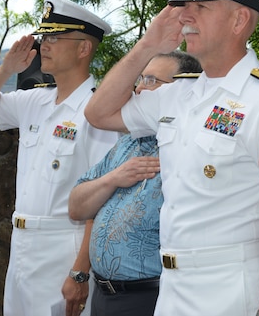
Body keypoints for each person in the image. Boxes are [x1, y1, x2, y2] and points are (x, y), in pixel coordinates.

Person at [84, 0, 259, 316]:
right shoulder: (178, 93)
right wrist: (148, 45)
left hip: (228, 286)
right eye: (184, 6)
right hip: (172, 286)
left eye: (200, 6)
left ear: (239, 19)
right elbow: (98, 113)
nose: (185, 15)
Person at [0, 0, 120, 316]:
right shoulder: (35, 101)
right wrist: (7, 69)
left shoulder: (96, 111)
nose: (44, 45)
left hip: (63, 247)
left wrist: (80, 271)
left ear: (83, 49)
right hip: (22, 244)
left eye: (55, 37)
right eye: (44, 37)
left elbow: (104, 196)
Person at [68, 50, 202, 316]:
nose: (139, 88)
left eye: (152, 81)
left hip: (151, 297)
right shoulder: (128, 142)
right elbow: (76, 207)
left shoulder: (188, 149)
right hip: (104, 295)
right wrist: (113, 179)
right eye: (140, 79)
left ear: (181, 90)